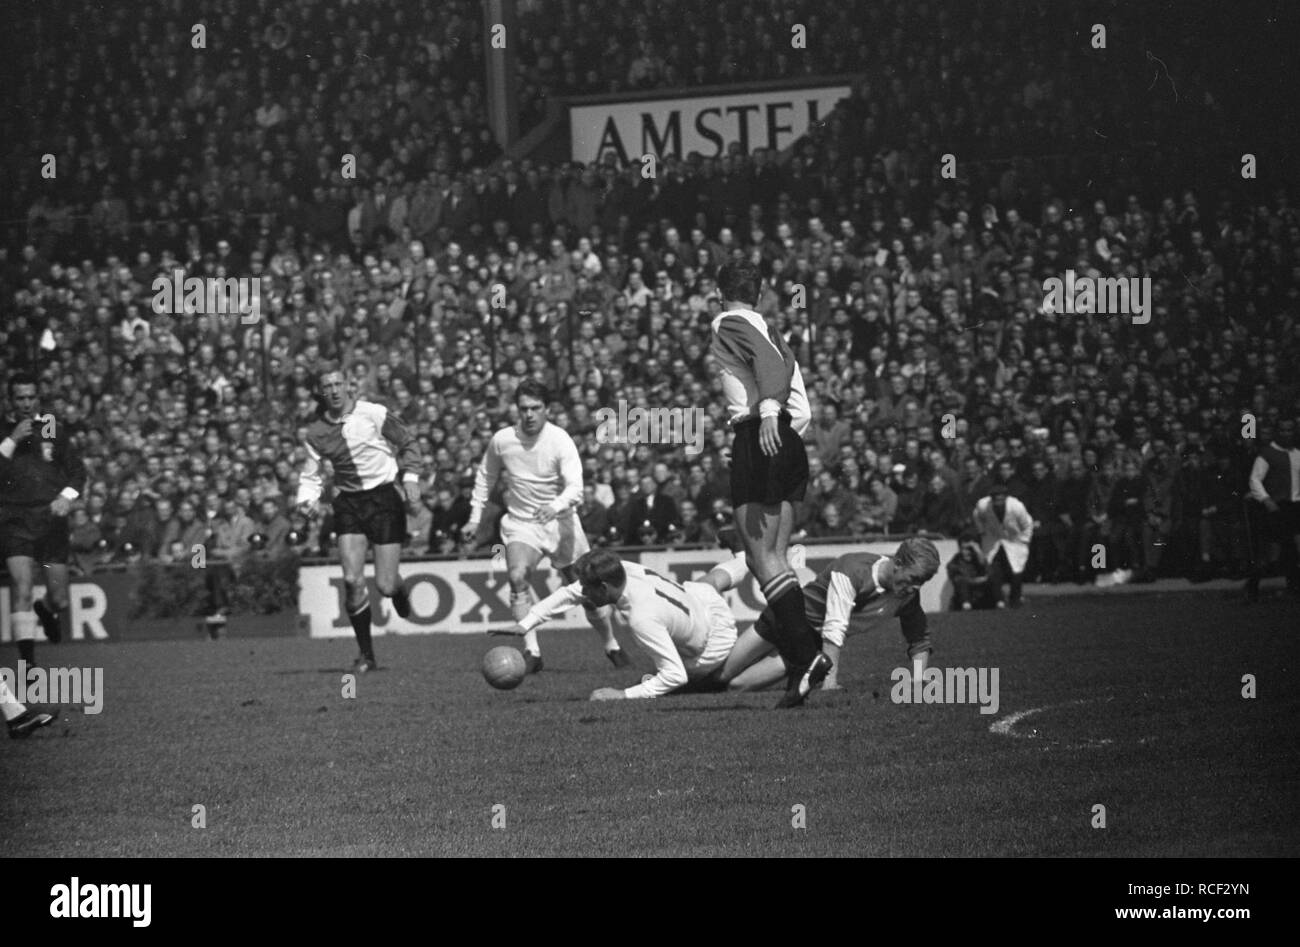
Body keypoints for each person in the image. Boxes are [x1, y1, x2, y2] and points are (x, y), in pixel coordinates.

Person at [709, 260, 829, 708]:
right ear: (759, 294)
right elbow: (801, 407)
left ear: (720, 292)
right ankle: (800, 666)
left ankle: (805, 654)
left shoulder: (729, 321)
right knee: (775, 557)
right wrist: (779, 434)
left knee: (761, 559)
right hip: (787, 438)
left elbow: (770, 377)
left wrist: (762, 425)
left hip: (761, 433)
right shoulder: (772, 331)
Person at [463, 380, 628, 672]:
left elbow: (576, 488)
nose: (529, 414)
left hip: (561, 523)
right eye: (523, 408)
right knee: (517, 576)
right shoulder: (502, 440)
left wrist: (554, 507)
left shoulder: (560, 439)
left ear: (547, 409)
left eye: (535, 408)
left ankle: (611, 644)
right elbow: (485, 476)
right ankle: (532, 652)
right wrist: (475, 517)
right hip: (521, 524)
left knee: (589, 595)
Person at [296, 362, 422, 672]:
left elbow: (407, 441)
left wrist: (410, 478)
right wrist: (307, 500)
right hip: (348, 502)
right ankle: (366, 655)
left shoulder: (373, 413)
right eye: (327, 386)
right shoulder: (316, 432)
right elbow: (311, 475)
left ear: (349, 385)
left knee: (386, 586)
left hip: (383, 499)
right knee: (352, 581)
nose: (334, 391)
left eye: (338, 384)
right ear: (320, 392)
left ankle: (399, 589)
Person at [702, 537, 942, 692]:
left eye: (923, 582)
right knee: (721, 675)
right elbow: (835, 626)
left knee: (736, 686)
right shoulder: (853, 569)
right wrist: (830, 682)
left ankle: (800, 671)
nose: (916, 587)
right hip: (784, 618)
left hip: (809, 646)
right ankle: (742, 555)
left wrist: (919, 680)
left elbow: (919, 639)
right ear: (898, 562)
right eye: (914, 578)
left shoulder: (907, 596)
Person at [502, 548, 736, 699]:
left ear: (603, 588)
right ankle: (746, 556)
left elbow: (675, 675)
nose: (582, 593)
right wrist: (527, 623)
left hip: (708, 649)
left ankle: (773, 648)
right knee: (710, 581)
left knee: (725, 682)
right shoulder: (624, 569)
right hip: (702, 604)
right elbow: (569, 593)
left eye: (587, 588)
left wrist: (622, 694)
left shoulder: (641, 617)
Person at [0, 373, 86, 666]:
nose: (25, 403)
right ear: (11, 400)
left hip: (51, 521)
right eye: (20, 398)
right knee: (22, 587)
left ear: (38, 398)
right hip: (16, 521)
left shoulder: (52, 428)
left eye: (30, 397)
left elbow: (77, 472)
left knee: (60, 599)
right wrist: (11, 441)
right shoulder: (3, 429)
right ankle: (28, 665)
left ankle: (46, 610)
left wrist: (67, 497)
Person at [1246, 417, 1300, 600]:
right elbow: (1255, 479)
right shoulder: (1267, 453)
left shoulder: (1297, 454)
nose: (1286, 434)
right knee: (1271, 551)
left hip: (1294, 507)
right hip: (1277, 508)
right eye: (1283, 430)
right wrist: (1266, 499)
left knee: (1292, 548)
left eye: (1290, 430)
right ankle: (1252, 585)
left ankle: (1293, 585)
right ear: (1278, 432)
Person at [972, 482, 1033, 607]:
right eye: (995, 499)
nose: (998, 501)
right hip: (993, 538)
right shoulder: (983, 505)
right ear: (991, 499)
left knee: (1016, 568)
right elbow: (977, 516)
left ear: (1006, 497)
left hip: (1014, 539)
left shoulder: (1016, 506)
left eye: (1001, 498)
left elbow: (1027, 524)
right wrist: (982, 531)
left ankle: (1015, 599)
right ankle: (999, 599)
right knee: (994, 568)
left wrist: (1024, 540)